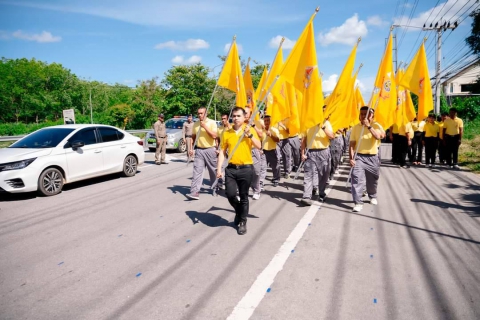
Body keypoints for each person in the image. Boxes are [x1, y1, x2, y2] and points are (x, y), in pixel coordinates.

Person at [217, 107, 261, 235]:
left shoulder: (249, 129)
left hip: (246, 168)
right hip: (231, 168)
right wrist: (219, 168)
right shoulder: (227, 132)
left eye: (238, 116)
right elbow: (222, 152)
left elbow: (259, 146)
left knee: (244, 196)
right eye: (234, 116)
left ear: (244, 117)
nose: (235, 118)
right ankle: (239, 211)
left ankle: (242, 221)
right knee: (230, 194)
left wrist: (250, 135)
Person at [349, 107, 385, 212]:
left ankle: (372, 195)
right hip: (359, 157)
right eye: (362, 114)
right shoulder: (355, 128)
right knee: (357, 179)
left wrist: (369, 126)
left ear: (371, 115)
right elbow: (352, 144)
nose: (364, 116)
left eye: (366, 114)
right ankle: (358, 202)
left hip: (373, 157)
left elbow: (378, 136)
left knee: (372, 180)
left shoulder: (376, 125)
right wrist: (351, 158)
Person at [186, 107, 218, 200]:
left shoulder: (212, 122)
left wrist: (205, 127)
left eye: (201, 113)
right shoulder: (195, 124)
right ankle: (195, 191)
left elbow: (214, 136)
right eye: (198, 113)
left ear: (206, 113)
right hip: (199, 150)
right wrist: (191, 149)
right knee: (197, 171)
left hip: (210, 149)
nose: (199, 115)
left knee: (213, 171)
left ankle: (215, 187)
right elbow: (193, 137)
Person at [300, 120, 334, 206]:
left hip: (324, 152)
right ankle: (306, 197)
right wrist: (302, 154)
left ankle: (321, 193)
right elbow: (303, 140)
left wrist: (322, 127)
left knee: (323, 175)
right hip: (310, 152)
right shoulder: (307, 123)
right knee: (308, 175)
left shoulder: (326, 123)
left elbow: (331, 136)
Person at [244, 106, 265, 200]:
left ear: (250, 114)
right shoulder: (239, 124)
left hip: (254, 150)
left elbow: (261, 135)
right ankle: (244, 190)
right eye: (243, 113)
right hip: (244, 151)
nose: (245, 115)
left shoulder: (256, 123)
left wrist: (253, 125)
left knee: (256, 172)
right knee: (245, 173)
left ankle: (256, 190)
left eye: (246, 113)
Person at [262, 115, 281, 187]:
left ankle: (276, 179)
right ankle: (261, 182)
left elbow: (278, 140)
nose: (266, 122)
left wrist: (271, 135)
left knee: (275, 166)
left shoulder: (274, 130)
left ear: (271, 121)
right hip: (264, 151)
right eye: (265, 121)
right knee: (262, 167)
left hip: (272, 151)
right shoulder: (262, 130)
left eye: (268, 120)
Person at [216, 113, 231, 189]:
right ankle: (220, 182)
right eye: (222, 119)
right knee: (220, 166)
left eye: (224, 119)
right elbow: (217, 139)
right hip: (222, 149)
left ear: (227, 119)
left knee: (230, 167)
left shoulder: (231, 127)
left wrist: (228, 125)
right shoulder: (220, 128)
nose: (223, 120)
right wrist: (217, 148)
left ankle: (229, 182)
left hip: (230, 149)